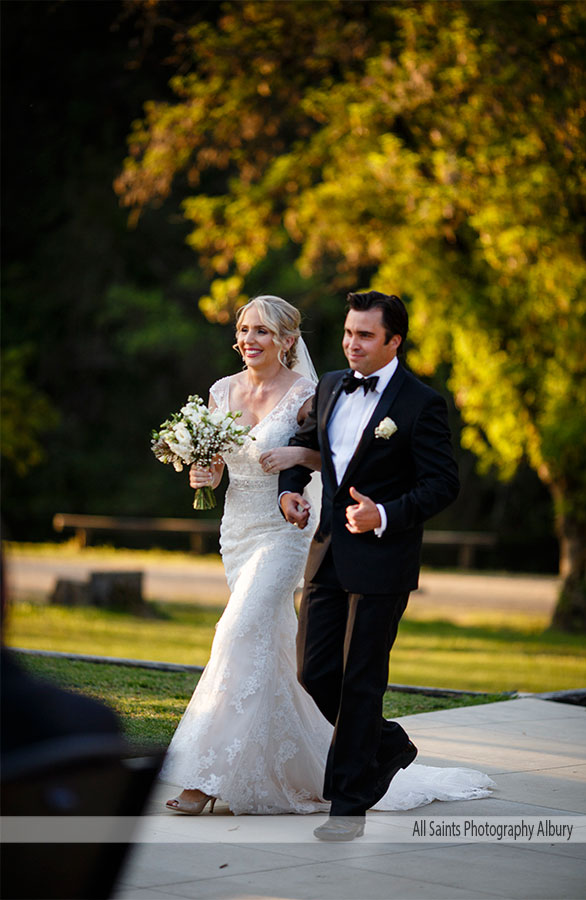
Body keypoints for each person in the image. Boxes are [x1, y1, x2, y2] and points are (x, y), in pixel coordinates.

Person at [163, 293, 493, 820]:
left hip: (288, 537)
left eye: (263, 331)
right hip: (240, 532)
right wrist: (207, 473)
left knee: (236, 633)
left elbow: (337, 455)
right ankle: (309, 763)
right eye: (245, 329)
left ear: (288, 340)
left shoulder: (337, 391)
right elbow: (255, 458)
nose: (250, 339)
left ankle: (207, 776)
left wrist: (351, 496)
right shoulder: (231, 390)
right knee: (283, 661)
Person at [279, 290, 463, 841]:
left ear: (393, 341)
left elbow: (442, 483)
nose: (351, 344)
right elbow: (304, 442)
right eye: (347, 333)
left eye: (364, 335)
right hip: (327, 554)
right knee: (314, 675)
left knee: (361, 680)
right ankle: (388, 746)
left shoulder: (420, 403)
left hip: (384, 559)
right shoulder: (332, 384)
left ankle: (348, 805)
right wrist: (290, 489)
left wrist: (384, 513)